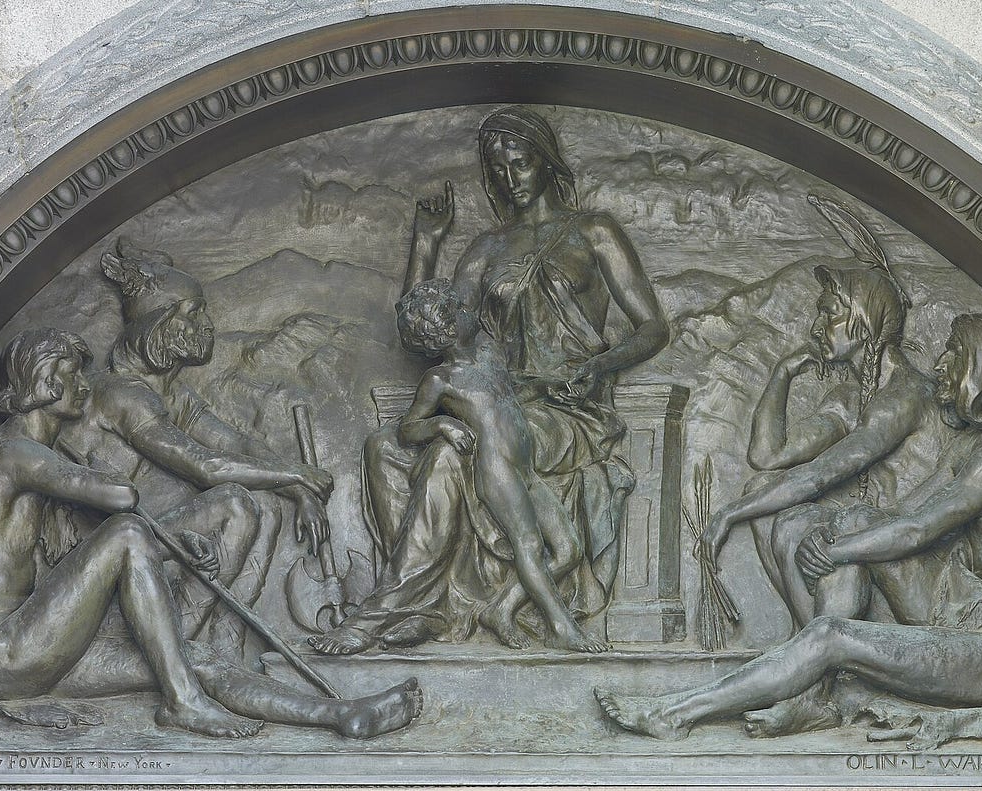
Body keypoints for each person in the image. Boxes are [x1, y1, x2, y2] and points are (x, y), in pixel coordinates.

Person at [595, 313, 982, 741]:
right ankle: (813, 693)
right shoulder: (975, 445)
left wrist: (836, 552)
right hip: (970, 617)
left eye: (953, 354)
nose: (940, 365)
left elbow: (918, 531)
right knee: (853, 521)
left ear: (981, 369)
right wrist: (837, 536)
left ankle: (676, 713)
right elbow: (901, 516)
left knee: (832, 631)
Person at [0, 328, 423, 739]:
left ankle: (341, 714)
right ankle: (182, 702)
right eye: (74, 376)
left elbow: (55, 574)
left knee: (191, 657)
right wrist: (106, 487)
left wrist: (172, 543)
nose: (84, 387)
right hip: (1, 654)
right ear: (49, 382)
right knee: (125, 532)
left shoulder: (17, 459)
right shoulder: (10, 453)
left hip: (30, 650)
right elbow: (122, 500)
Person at [311, 106, 669, 655]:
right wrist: (425, 246)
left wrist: (598, 366)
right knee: (384, 447)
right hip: (501, 395)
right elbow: (428, 326)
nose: (510, 179)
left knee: (448, 456)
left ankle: (388, 610)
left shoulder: (593, 232)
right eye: (498, 169)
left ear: (546, 162)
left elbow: (653, 328)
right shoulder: (487, 249)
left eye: (521, 164)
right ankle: (430, 606)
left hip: (566, 408)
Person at [57, 237, 334, 652]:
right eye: (194, 312)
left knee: (268, 500)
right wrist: (297, 473)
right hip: (92, 557)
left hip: (142, 540)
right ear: (159, 323)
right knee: (234, 503)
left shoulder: (172, 396)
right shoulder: (121, 394)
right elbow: (203, 466)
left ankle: (225, 645)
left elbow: (236, 443)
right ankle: (179, 643)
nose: (207, 324)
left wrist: (298, 490)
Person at [697, 262, 950, 634]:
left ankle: (818, 649)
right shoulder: (851, 398)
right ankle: (810, 639)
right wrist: (783, 372)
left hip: (914, 560)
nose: (816, 328)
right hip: (871, 539)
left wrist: (727, 514)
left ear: (863, 322)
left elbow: (818, 476)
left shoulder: (905, 393)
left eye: (829, 314)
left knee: (804, 523)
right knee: (761, 492)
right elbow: (767, 456)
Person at [391, 278, 608, 652]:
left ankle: (501, 609)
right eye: (460, 309)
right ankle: (561, 628)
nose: (469, 310)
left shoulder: (489, 352)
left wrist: (546, 386)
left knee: (569, 550)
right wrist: (442, 425)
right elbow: (408, 428)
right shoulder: (439, 380)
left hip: (524, 467)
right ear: (447, 330)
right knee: (529, 543)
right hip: (496, 470)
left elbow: (509, 390)